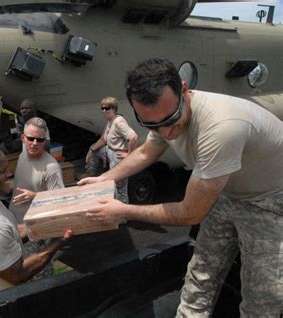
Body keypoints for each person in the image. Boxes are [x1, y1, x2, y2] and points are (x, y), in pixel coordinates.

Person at [78, 58, 283, 317]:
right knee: (201, 272)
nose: (166, 131)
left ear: (184, 90)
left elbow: (190, 213)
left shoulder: (221, 127)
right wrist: (106, 178)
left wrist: (124, 211)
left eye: (171, 119)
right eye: (152, 124)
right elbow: (145, 152)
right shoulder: (163, 115)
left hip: (271, 200)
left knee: (263, 300)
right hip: (229, 190)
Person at [0, 145, 72, 298]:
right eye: (2, 172)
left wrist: (48, 225)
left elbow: (12, 231)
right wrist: (58, 242)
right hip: (6, 303)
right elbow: (19, 274)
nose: (9, 174)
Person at [9, 117, 65, 279]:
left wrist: (35, 196)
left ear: (44, 141)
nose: (34, 143)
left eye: (39, 140)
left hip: (35, 231)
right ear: (23, 138)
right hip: (16, 224)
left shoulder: (51, 167)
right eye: (30, 138)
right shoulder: (22, 156)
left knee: (38, 274)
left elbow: (61, 200)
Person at [85, 97, 137, 203]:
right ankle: (91, 176)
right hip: (109, 151)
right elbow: (103, 139)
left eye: (107, 108)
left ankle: (122, 215)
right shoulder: (110, 121)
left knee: (119, 186)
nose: (104, 111)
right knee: (95, 153)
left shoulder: (118, 121)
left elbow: (133, 137)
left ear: (114, 109)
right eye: (102, 108)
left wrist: (129, 154)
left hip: (118, 156)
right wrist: (91, 149)